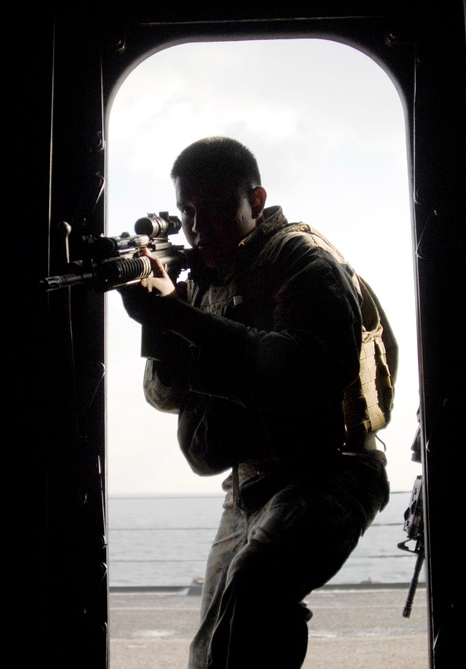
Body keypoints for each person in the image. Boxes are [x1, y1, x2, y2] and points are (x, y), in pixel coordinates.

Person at [117, 136, 397, 668]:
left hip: (331, 474)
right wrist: (162, 319)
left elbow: (304, 371)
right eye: (188, 211)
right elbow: (162, 396)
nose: (200, 226)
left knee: (253, 596)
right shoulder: (206, 277)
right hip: (249, 484)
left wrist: (177, 315)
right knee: (211, 651)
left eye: (217, 206)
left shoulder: (302, 260)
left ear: (257, 200)